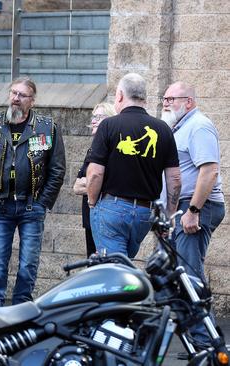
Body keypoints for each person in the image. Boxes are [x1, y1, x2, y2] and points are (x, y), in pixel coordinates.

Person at [0, 76, 66, 306]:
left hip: (31, 205)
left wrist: (43, 202)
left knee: (28, 263)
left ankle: (21, 306)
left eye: (22, 95)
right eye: (13, 93)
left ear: (32, 101)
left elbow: (57, 169)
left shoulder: (47, 127)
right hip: (1, 205)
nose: (16, 98)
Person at [86, 73, 181, 258]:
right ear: (144, 97)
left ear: (120, 95)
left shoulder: (108, 126)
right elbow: (175, 179)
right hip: (144, 213)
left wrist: (91, 202)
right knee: (123, 264)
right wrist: (169, 216)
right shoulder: (163, 129)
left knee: (114, 270)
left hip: (111, 208)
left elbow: (96, 173)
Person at [162, 81, 224, 351]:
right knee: (179, 276)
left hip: (199, 207)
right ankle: (198, 339)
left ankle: (206, 344)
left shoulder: (199, 125)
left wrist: (193, 211)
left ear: (188, 101)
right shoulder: (179, 127)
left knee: (190, 276)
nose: (166, 104)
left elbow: (209, 171)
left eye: (171, 99)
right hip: (184, 208)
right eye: (164, 99)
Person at [72, 102, 116, 257]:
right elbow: (76, 186)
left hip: (104, 218)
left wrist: (91, 183)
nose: (93, 121)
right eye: (93, 116)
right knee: (92, 262)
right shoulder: (93, 149)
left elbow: (109, 183)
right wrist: (94, 184)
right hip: (90, 219)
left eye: (99, 117)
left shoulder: (114, 150)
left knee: (106, 263)